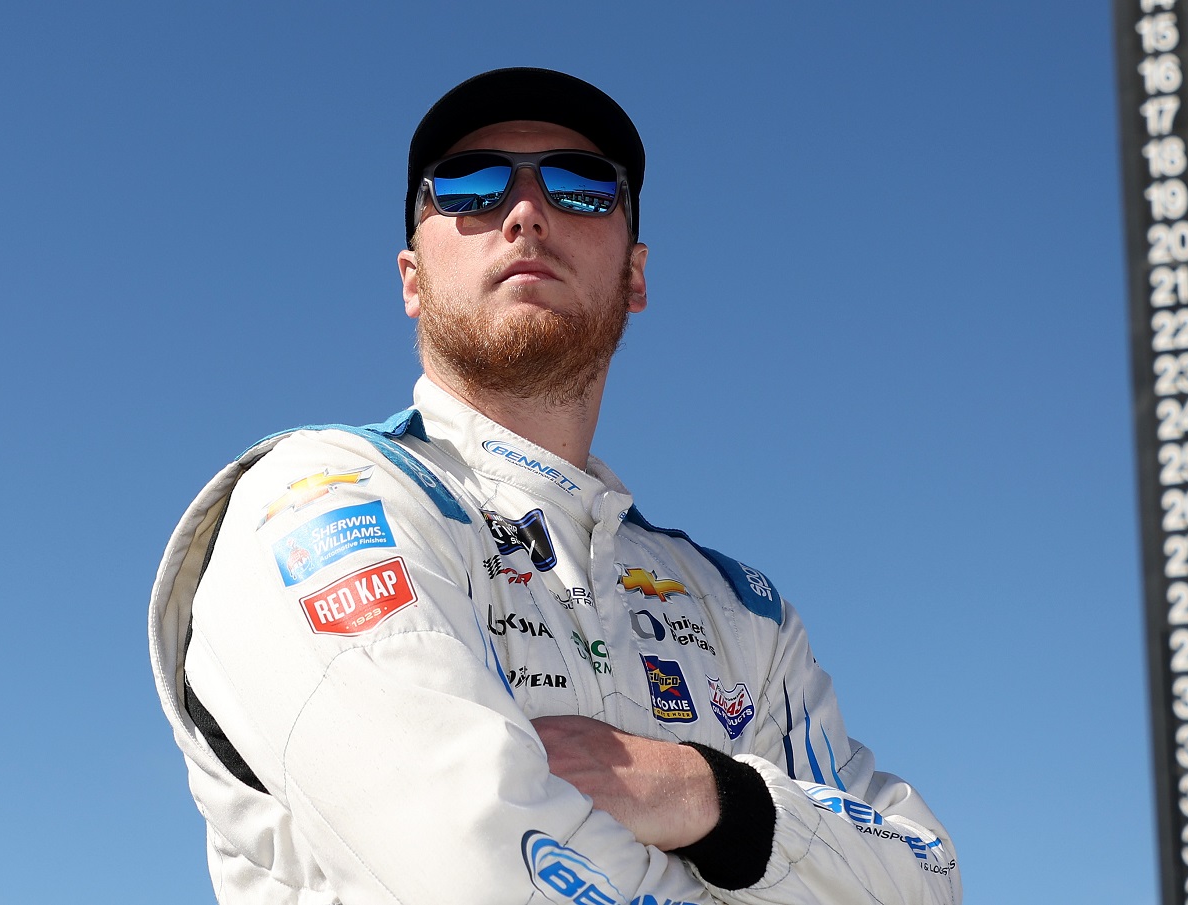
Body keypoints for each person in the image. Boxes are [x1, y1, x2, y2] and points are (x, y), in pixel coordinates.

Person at [148, 67, 961, 905]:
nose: (526, 210)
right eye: (470, 185)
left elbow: (925, 879)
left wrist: (713, 797)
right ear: (412, 279)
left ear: (636, 276)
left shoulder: (743, 616)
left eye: (580, 186)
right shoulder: (320, 500)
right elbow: (475, 875)